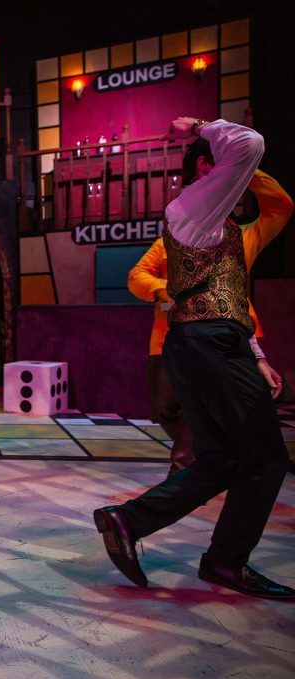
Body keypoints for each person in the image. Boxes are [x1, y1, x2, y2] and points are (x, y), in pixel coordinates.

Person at [94, 117, 293, 600]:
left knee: (222, 458)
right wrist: (201, 126)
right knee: (266, 458)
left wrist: (256, 353)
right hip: (205, 343)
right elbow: (249, 143)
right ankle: (226, 560)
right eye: (230, 172)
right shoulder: (195, 208)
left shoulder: (225, 225)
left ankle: (129, 520)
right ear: (206, 168)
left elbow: (235, 300)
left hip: (211, 342)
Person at [128, 168, 291, 475]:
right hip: (170, 337)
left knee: (207, 409)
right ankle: (210, 458)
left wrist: (242, 168)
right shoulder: (167, 243)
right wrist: (170, 290)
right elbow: (137, 277)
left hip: (228, 335)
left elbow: (280, 206)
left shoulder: (242, 237)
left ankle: (191, 470)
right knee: (165, 408)